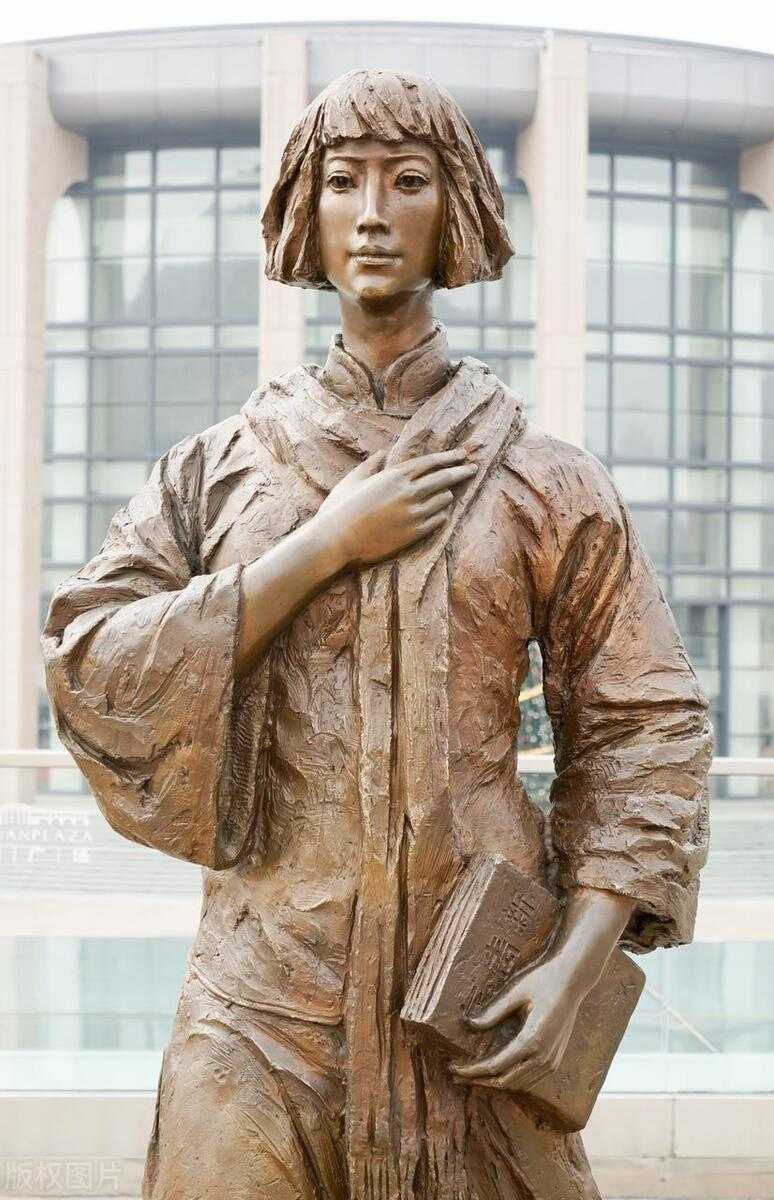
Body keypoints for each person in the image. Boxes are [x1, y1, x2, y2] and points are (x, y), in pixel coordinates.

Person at [42, 68, 713, 1200]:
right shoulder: (219, 468)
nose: (371, 213)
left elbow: (644, 726)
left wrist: (576, 961)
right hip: (259, 1005)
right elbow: (90, 658)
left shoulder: (547, 481)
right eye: (343, 181)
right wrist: (320, 548)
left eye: (407, 181)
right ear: (304, 212)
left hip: (477, 994)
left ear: (456, 212)